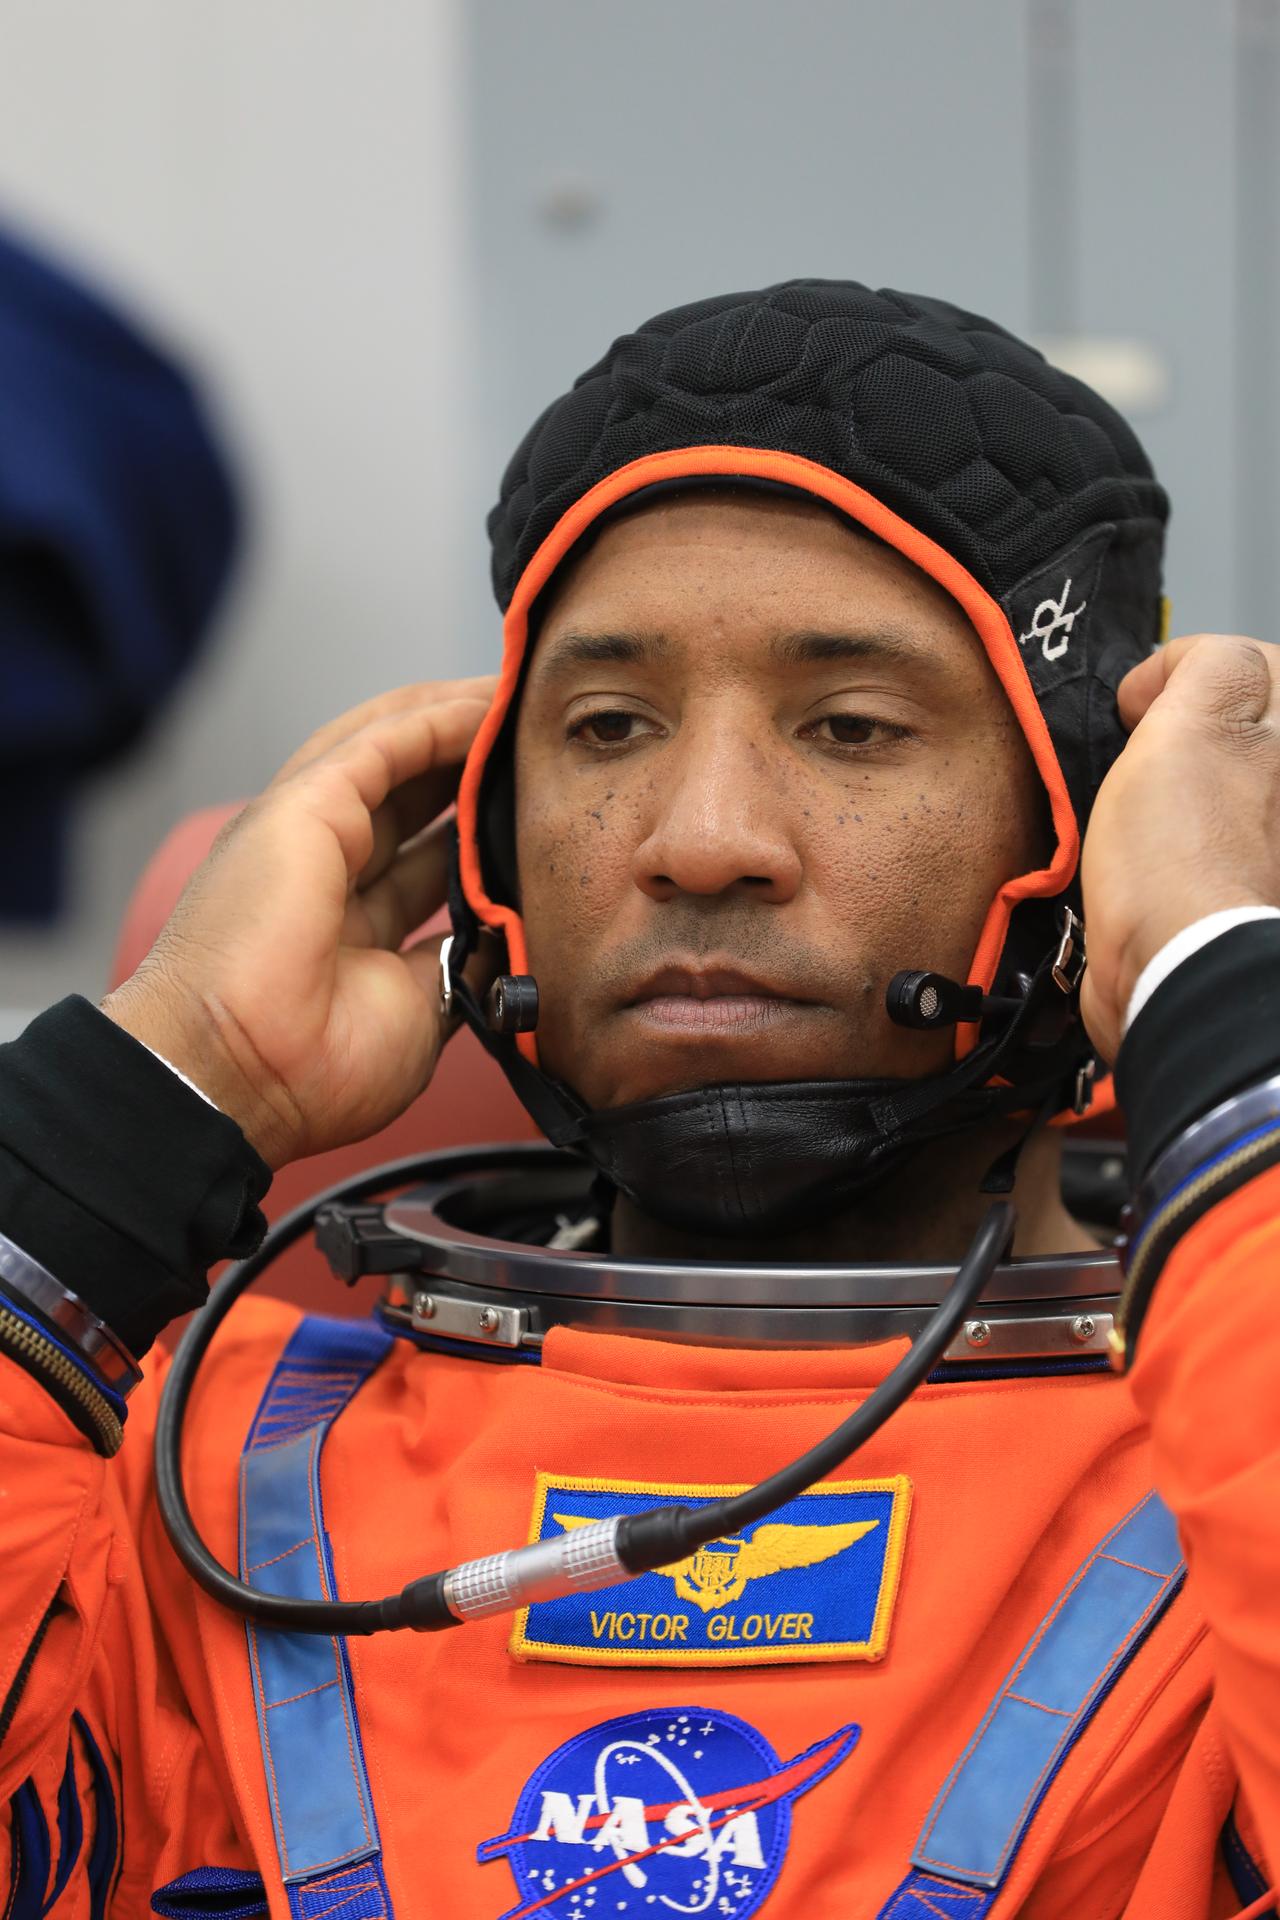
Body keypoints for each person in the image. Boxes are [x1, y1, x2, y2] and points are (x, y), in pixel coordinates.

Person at [1, 280, 1279, 1919]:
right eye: (607, 726)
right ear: (494, 841)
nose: (700, 835)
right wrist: (162, 1083)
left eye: (851, 727)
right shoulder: (185, 1474)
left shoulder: (1214, 1506)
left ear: (1083, 835)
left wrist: (1208, 980)